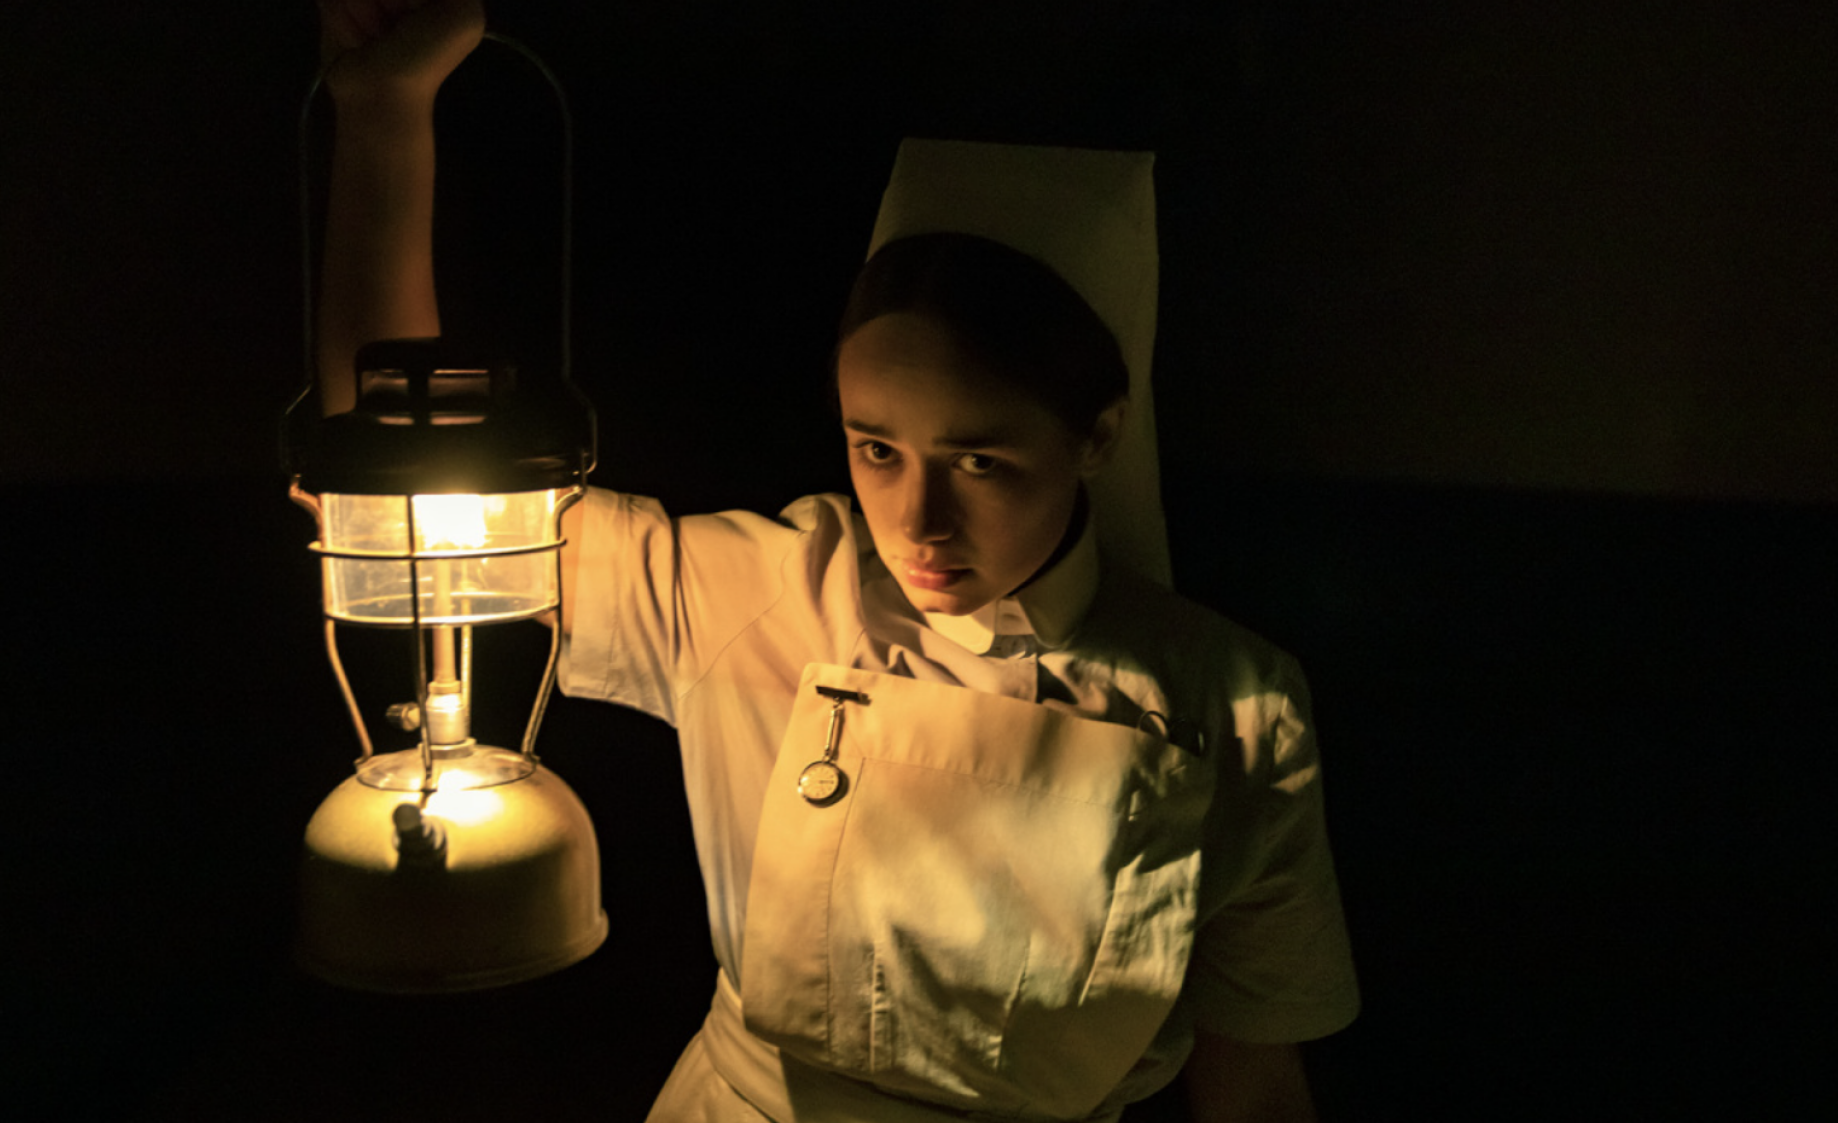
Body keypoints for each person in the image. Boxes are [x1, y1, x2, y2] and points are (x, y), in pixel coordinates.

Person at [313, 3, 1359, 1120]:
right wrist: (387, 121)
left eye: (980, 459)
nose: (918, 518)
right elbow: (391, 480)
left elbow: (1250, 1075)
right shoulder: (749, 590)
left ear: (1095, 434)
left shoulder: (1235, 705)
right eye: (875, 448)